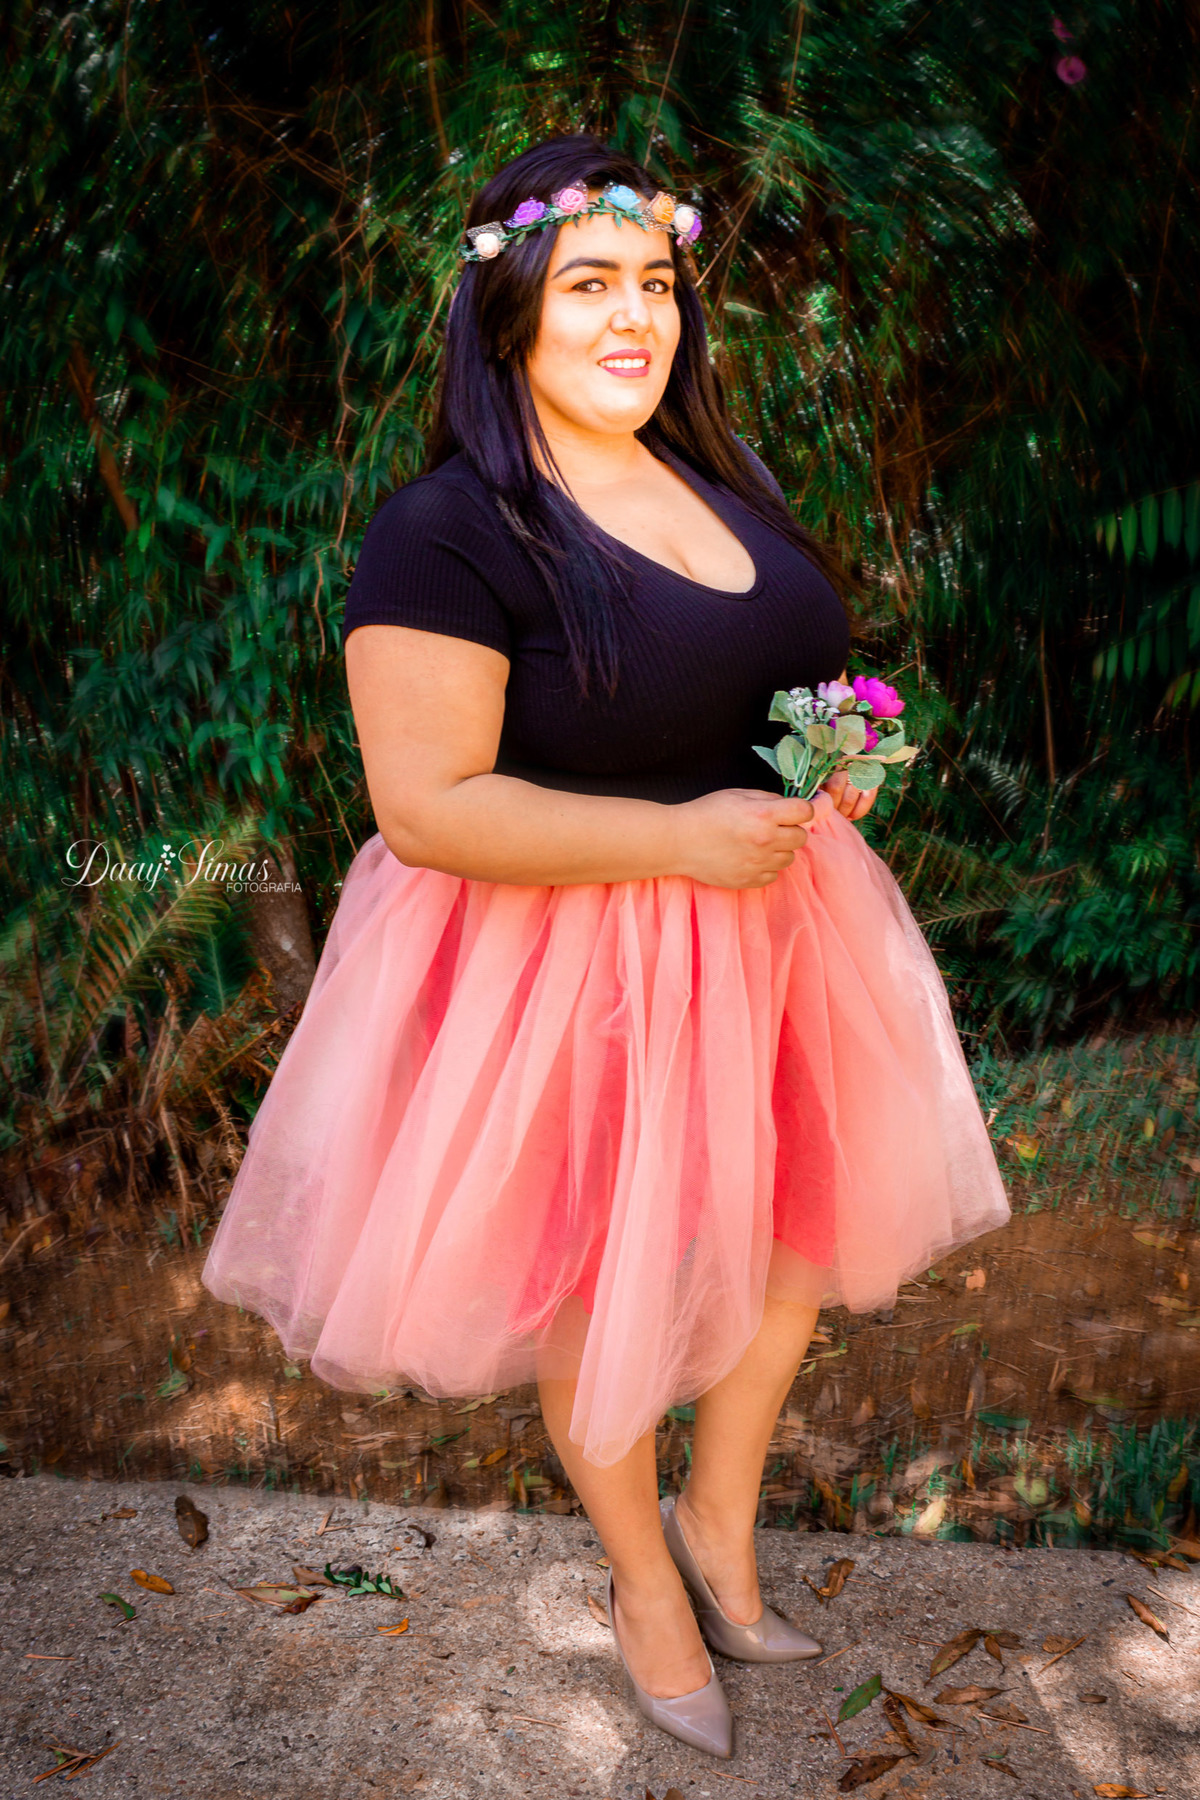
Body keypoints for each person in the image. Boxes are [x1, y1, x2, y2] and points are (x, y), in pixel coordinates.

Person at [201, 135, 1010, 1760]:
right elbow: (426, 806)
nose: (635, 316)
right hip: (579, 963)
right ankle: (644, 1579)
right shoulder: (446, 532)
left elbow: (756, 676)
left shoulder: (717, 477)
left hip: (777, 932)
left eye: (656, 283)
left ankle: (720, 1520)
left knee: (795, 1240)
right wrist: (682, 840)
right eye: (589, 285)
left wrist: (825, 760)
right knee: (611, 1281)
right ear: (508, 314)